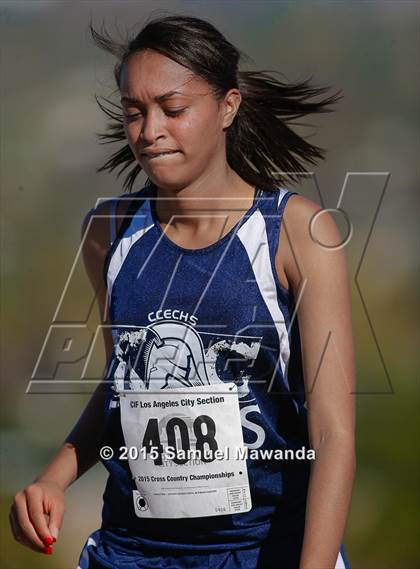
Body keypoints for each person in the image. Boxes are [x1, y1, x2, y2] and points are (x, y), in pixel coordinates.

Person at [9, 13, 356, 569]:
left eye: (173, 111)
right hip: (131, 552)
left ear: (228, 106)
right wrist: (55, 475)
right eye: (134, 113)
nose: (150, 131)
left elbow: (333, 432)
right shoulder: (108, 231)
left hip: (264, 551)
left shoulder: (298, 234)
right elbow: (122, 384)